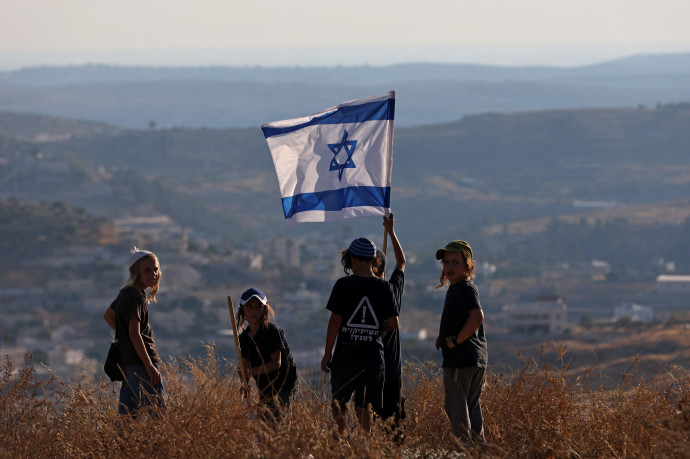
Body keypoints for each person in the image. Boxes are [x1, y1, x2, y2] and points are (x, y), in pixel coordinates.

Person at [321, 237, 399, 436]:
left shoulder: (343, 285)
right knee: (366, 407)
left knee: (339, 403)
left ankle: (340, 439)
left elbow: (335, 322)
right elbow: (393, 323)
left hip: (345, 357)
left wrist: (327, 353)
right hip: (373, 360)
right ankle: (365, 446)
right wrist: (378, 328)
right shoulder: (384, 287)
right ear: (374, 260)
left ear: (352, 259)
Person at [434, 240, 488, 445]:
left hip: (460, 359)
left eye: (456, 262)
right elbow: (464, 319)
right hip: (475, 358)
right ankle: (479, 450)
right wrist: (445, 335)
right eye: (446, 262)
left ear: (468, 266)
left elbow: (477, 316)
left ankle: (464, 451)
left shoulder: (463, 289)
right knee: (471, 406)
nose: (449, 267)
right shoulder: (462, 288)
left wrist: (456, 340)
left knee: (457, 408)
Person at [104, 247, 166, 416]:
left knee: (127, 423)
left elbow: (108, 315)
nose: (153, 274)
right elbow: (135, 334)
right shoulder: (136, 297)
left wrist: (123, 336)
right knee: (158, 417)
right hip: (141, 366)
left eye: (155, 269)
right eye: (147, 270)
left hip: (128, 367)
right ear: (136, 273)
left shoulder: (125, 293)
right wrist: (150, 366)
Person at [237, 287, 298, 423]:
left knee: (275, 423)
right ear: (243, 310)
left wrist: (250, 372)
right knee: (264, 424)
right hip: (265, 388)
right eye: (249, 307)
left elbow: (276, 363)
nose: (254, 311)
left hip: (284, 385)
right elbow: (245, 364)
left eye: (258, 307)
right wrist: (244, 383)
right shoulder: (243, 339)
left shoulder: (272, 332)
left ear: (264, 309)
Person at [373, 214, 406, 442]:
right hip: (387, 371)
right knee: (392, 427)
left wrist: (391, 232)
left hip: (378, 371)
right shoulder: (392, 288)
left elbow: (400, 264)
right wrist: (392, 232)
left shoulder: (368, 291)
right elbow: (401, 263)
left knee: (381, 425)